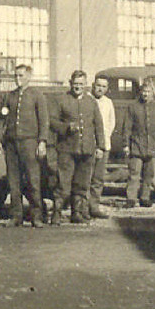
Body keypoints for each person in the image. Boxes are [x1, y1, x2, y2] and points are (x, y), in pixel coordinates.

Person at [0, 64, 49, 227]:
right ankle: (16, 216)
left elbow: (43, 120)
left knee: (33, 180)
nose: (18, 79)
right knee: (13, 181)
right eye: (16, 76)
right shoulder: (9, 96)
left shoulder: (37, 95)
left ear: (29, 77)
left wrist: (42, 142)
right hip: (11, 144)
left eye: (21, 76)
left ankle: (36, 216)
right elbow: (1, 119)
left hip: (30, 143)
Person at [49, 70, 106, 224]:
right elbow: (52, 122)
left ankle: (77, 213)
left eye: (81, 84)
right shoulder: (62, 100)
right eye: (75, 84)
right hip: (67, 150)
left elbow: (99, 126)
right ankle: (57, 213)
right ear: (70, 83)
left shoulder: (91, 102)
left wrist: (101, 146)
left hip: (87, 150)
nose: (78, 87)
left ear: (86, 85)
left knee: (82, 183)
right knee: (63, 183)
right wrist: (66, 127)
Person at [119, 81, 155, 207]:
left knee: (148, 174)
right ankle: (131, 199)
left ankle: (145, 197)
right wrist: (126, 145)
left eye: (148, 91)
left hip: (151, 146)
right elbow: (127, 127)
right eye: (144, 91)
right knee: (134, 173)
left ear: (152, 93)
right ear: (140, 92)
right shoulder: (132, 107)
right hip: (136, 146)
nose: (146, 94)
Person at [88, 76, 115, 219]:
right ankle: (82, 208)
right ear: (93, 85)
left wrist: (103, 141)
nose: (100, 89)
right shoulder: (87, 99)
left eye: (104, 87)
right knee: (86, 177)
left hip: (104, 145)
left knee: (98, 178)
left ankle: (94, 206)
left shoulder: (108, 103)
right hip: (88, 145)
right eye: (98, 85)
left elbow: (111, 123)